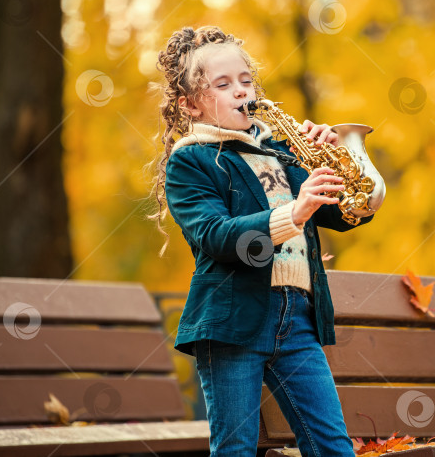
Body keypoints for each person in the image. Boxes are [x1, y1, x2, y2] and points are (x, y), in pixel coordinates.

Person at [148, 25, 374, 456]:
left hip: (298, 319)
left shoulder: (278, 151)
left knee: (333, 447)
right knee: (236, 448)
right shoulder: (190, 160)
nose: (241, 92)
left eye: (246, 81)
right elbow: (216, 236)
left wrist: (341, 167)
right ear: (190, 105)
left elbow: (340, 214)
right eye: (223, 84)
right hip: (232, 321)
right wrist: (296, 209)